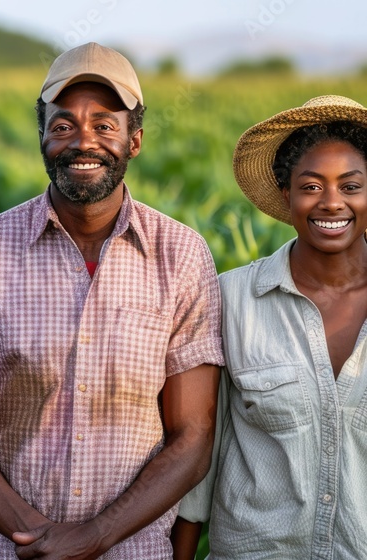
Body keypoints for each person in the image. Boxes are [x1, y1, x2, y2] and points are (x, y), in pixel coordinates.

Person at [0, 42, 225, 559]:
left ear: (135, 140)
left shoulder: (182, 256)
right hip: (4, 548)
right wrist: (35, 536)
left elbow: (192, 438)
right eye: (63, 126)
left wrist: (93, 537)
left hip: (132, 550)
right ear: (40, 137)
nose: (84, 141)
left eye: (105, 125)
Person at [173, 96, 367, 559]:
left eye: (351, 185)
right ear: (287, 196)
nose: (332, 202)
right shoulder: (231, 299)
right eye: (311, 186)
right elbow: (198, 456)